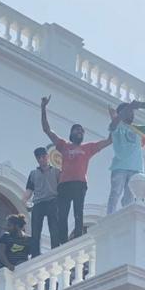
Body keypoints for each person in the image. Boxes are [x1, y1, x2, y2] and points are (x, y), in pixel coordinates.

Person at [40, 95, 112, 241]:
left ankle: (78, 237)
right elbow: (47, 130)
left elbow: (109, 140)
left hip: (80, 184)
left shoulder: (88, 148)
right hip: (64, 184)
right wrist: (43, 108)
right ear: (71, 133)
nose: (80, 132)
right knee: (63, 214)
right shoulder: (63, 145)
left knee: (78, 212)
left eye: (82, 131)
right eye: (77, 130)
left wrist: (115, 120)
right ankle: (63, 241)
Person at [107, 101, 145, 214]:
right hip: (120, 167)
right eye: (129, 112)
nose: (132, 114)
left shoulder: (137, 129)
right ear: (121, 113)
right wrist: (129, 107)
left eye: (132, 112)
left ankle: (127, 219)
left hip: (136, 169)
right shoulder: (117, 126)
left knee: (129, 199)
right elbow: (113, 123)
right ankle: (109, 216)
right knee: (115, 193)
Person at [24, 147, 62, 257]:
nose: (41, 159)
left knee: (54, 227)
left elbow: (61, 188)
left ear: (48, 156)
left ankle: (55, 251)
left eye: (43, 156)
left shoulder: (56, 172)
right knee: (35, 230)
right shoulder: (33, 174)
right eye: (38, 157)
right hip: (38, 203)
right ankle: (35, 254)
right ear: (36, 159)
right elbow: (29, 190)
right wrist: (24, 200)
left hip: (52, 201)